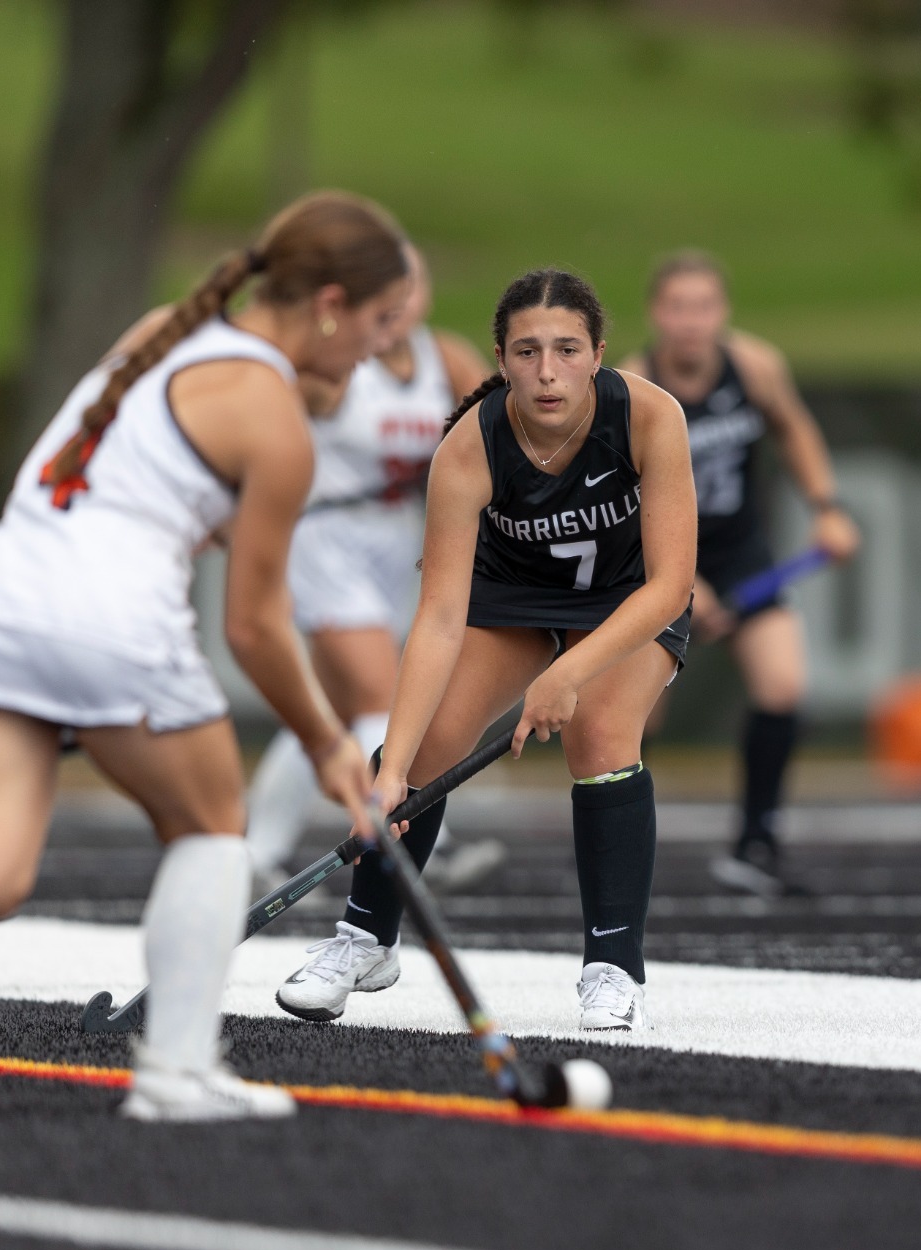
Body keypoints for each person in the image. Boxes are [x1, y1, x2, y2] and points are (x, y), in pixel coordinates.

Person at [0, 191, 410, 1120]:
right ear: (330, 303)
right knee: (212, 824)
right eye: (376, 323)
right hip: (107, 620)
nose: (377, 349)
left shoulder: (166, 331)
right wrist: (332, 746)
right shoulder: (274, 422)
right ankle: (174, 1071)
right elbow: (254, 627)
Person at [274, 268, 696, 1032]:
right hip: (515, 597)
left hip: (628, 600)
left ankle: (612, 966)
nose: (547, 371)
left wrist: (568, 671)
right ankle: (366, 937)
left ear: (598, 353)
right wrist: (393, 767)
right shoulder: (468, 449)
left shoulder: (649, 417)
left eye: (567, 350)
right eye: (528, 351)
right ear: (499, 360)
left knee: (600, 733)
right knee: (428, 739)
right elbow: (438, 617)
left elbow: (670, 585)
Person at [243, 245, 502, 904]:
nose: (403, 298)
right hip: (326, 537)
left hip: (403, 541)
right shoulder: (335, 367)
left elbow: (495, 422)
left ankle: (256, 851)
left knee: (329, 711)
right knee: (377, 701)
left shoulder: (443, 358)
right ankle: (428, 845)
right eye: (390, 285)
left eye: (414, 283)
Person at [620, 252, 859, 899]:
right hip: (657, 557)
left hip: (740, 550)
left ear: (721, 313)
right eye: (677, 307)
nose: (690, 322)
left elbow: (794, 427)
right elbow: (618, 502)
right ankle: (612, 849)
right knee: (636, 720)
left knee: (783, 687)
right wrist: (680, 583)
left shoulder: (754, 366)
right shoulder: (632, 387)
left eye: (703, 307)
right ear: (656, 313)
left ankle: (757, 842)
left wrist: (826, 507)